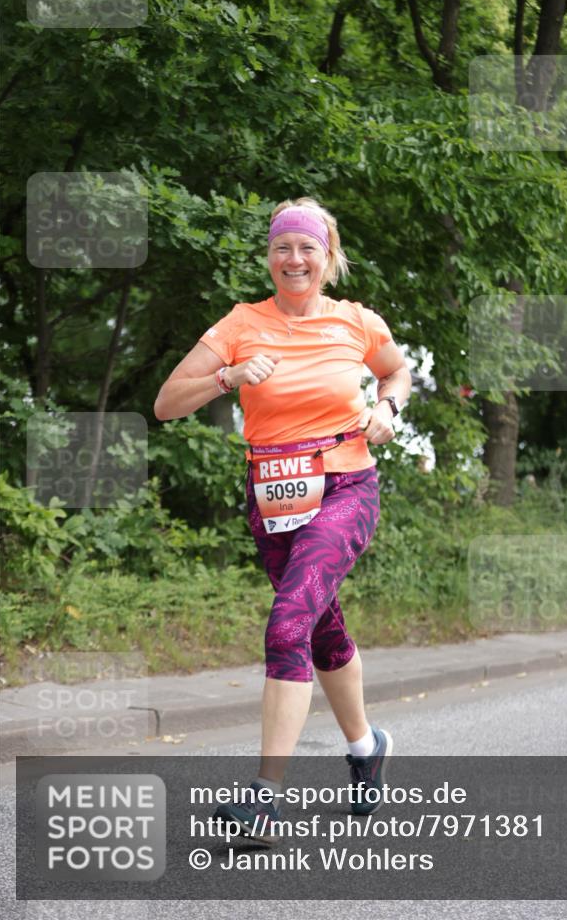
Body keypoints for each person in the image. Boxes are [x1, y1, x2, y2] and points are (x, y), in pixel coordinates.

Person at [154, 197, 411, 843]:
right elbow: (165, 404)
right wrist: (227, 375)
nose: (294, 259)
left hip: (345, 485)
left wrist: (388, 409)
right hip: (272, 498)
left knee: (287, 622)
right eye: (282, 248)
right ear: (269, 257)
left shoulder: (356, 322)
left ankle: (264, 798)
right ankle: (365, 745)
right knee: (319, 632)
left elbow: (397, 371)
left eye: (307, 248)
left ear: (328, 257)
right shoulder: (239, 324)